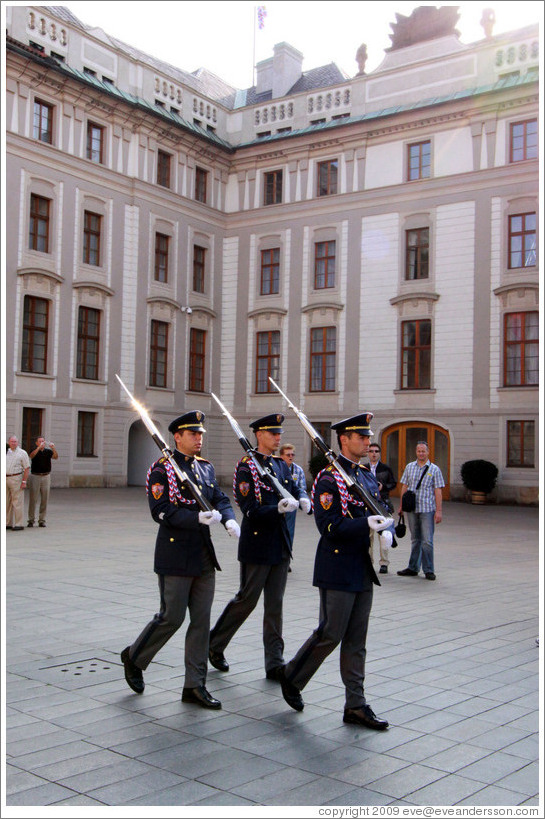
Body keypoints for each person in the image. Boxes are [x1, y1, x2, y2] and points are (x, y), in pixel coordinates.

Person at [277, 412, 391, 730]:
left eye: (368, 437)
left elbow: (380, 503)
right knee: (330, 634)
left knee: (357, 639)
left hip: (361, 567)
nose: (368, 441)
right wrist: (365, 523)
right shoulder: (329, 478)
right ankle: (292, 677)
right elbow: (329, 526)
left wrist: (387, 524)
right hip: (337, 565)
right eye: (362, 437)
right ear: (344, 440)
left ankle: (355, 705)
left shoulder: (365, 474)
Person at [120, 411, 240, 710]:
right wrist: (195, 517)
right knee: (171, 617)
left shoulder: (205, 468)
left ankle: (194, 685)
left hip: (202, 555)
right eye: (193, 434)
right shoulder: (162, 470)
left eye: (200, 434)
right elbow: (160, 510)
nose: (199, 438)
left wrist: (228, 519)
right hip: (175, 553)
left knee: (200, 622)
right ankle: (135, 656)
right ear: (177, 436)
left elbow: (219, 497)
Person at [209, 414, 310, 680]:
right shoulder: (247, 467)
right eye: (273, 433)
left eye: (279, 433)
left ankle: (274, 662)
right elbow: (250, 508)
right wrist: (275, 508)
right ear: (259, 435)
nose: (278, 437)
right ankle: (214, 644)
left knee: (275, 605)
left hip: (281, 544)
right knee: (247, 600)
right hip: (258, 543)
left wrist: (302, 496)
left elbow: (294, 486)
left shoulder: (280, 464)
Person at [397, 441, 444, 581]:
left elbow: (438, 491)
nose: (421, 453)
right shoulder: (409, 467)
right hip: (412, 509)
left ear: (428, 452)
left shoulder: (434, 469)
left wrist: (439, 510)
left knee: (427, 541)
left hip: (427, 509)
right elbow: (404, 487)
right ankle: (413, 567)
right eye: (419, 451)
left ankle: (429, 570)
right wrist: (401, 506)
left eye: (423, 451)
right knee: (415, 539)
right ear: (415, 452)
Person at [366, 443, 397, 574]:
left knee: (384, 534)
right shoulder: (363, 468)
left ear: (379, 453)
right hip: (367, 504)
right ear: (368, 453)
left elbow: (393, 483)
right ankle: (368, 561)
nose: (374, 453)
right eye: (371, 451)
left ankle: (384, 562)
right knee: (368, 535)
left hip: (382, 504)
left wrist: (383, 486)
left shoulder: (385, 468)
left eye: (376, 451)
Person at [279, 443, 309, 549]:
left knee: (289, 531)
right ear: (281, 456)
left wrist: (302, 499)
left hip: (292, 506)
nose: (291, 457)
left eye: (292, 454)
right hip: (278, 505)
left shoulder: (298, 470)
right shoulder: (276, 468)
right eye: (288, 455)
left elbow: (302, 488)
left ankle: (287, 555)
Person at [27, 436, 58, 528]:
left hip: (46, 476)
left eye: (43, 441)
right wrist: (38, 448)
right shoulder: (34, 450)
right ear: (36, 443)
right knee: (33, 499)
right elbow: (31, 456)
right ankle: (31, 520)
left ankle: (42, 520)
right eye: (40, 441)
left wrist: (53, 448)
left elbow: (56, 457)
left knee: (45, 499)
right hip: (35, 476)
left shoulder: (48, 451)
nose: (42, 443)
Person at [6, 436, 30, 531]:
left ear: (18, 442)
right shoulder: (6, 452)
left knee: (17, 502)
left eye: (15, 441)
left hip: (16, 478)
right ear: (8, 442)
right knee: (6, 502)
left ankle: (18, 523)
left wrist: (24, 481)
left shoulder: (22, 453)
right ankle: (7, 522)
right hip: (5, 478)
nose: (13, 443)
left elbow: (27, 468)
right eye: (12, 441)